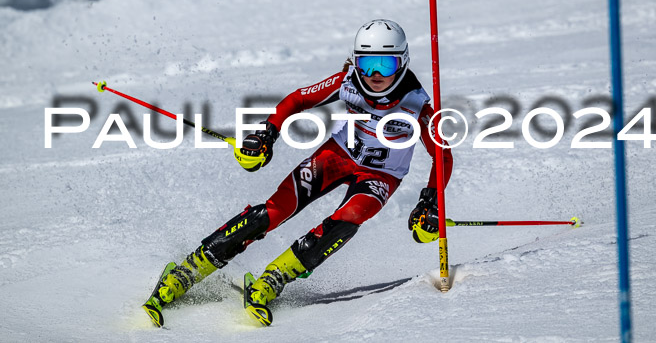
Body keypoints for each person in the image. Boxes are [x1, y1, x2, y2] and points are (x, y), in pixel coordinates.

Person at [142, 19, 453, 327]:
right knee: (274, 211)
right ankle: (187, 270)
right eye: (366, 62)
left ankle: (274, 279)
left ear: (403, 63)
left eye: (384, 65)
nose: (373, 75)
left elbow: (442, 155)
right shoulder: (348, 81)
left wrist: (431, 201)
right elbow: (298, 99)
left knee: (351, 216)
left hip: (381, 175)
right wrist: (267, 133)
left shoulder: (417, 104)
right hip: (337, 156)